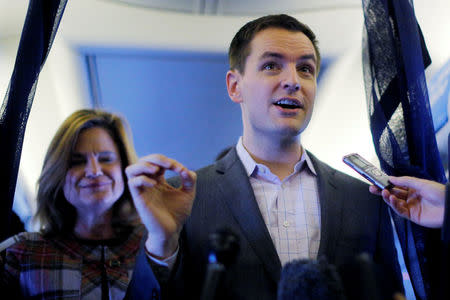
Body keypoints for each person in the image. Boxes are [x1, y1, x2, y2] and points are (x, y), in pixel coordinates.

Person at [125, 14, 407, 299]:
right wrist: (163, 242)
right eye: (272, 66)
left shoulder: (365, 200)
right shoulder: (185, 197)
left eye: (306, 69)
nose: (293, 81)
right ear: (235, 86)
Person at [0, 109, 149, 299]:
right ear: (57, 176)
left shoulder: (155, 243)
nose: (94, 171)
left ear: (125, 168)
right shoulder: (22, 252)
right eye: (77, 161)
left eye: (105, 159)